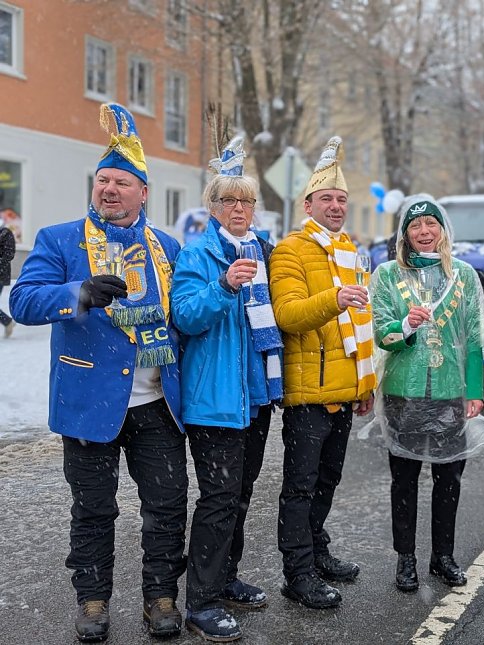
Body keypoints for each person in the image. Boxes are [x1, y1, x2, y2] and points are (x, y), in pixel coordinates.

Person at [9, 104, 187, 641]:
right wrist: (78, 293)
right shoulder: (61, 239)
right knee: (92, 511)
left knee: (167, 505)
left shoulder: (168, 248)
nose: (109, 189)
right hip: (89, 398)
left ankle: (160, 596)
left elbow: (187, 314)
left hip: (156, 401)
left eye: (121, 182)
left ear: (142, 193)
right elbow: (22, 300)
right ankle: (92, 601)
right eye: (102, 180)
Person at [170, 136, 282, 641]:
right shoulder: (199, 254)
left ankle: (226, 575)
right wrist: (224, 287)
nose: (239, 208)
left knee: (239, 494)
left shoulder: (262, 250)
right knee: (217, 498)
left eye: (246, 201)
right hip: (215, 399)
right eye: (228, 200)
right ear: (213, 207)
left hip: (255, 396)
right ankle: (202, 600)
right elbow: (186, 317)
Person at [370, 193, 484, 592]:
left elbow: (476, 337)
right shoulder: (388, 275)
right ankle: (405, 558)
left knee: (449, 479)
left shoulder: (463, 275)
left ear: (443, 230)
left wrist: (475, 389)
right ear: (405, 235)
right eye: (415, 226)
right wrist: (405, 326)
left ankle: (442, 556)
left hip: (450, 390)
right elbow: (381, 332)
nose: (424, 232)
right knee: (404, 479)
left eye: (431, 224)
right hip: (402, 391)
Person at [269, 136, 375, 609]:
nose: (335, 206)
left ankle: (317, 552)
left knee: (328, 480)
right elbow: (288, 316)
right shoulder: (291, 250)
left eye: (341, 200)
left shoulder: (350, 248)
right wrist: (334, 298)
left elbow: (361, 324)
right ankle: (297, 573)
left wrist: (365, 383)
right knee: (300, 484)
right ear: (307, 204)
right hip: (308, 391)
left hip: (343, 387)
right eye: (326, 199)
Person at [0, 218, 14, 337]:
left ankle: (7, 321)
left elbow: (9, 254)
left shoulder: (5, 233)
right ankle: (7, 321)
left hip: (0, 274)